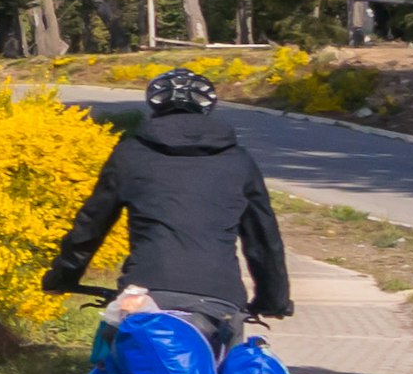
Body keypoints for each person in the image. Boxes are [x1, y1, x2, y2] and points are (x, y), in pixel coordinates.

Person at [41, 67, 294, 350]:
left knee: (117, 370)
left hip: (145, 293)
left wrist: (62, 276)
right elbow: (263, 238)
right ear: (208, 108)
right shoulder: (238, 160)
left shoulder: (130, 154)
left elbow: (90, 225)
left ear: (154, 106)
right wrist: (274, 299)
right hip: (219, 297)